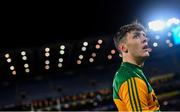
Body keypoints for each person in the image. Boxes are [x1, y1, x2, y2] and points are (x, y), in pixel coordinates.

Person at [112, 21, 160, 111]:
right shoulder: (130, 78)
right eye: (136, 36)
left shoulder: (133, 72)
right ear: (123, 48)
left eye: (144, 36)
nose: (145, 39)